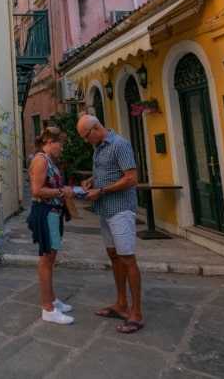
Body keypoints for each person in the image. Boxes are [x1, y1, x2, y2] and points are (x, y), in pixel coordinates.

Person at [77, 114, 144, 334]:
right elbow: (108, 173)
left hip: (121, 209)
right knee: (114, 255)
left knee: (127, 258)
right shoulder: (99, 147)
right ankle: (121, 304)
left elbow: (131, 178)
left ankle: (136, 313)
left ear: (95, 128)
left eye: (87, 136)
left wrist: (102, 190)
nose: (86, 141)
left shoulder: (120, 145)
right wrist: (91, 181)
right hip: (105, 210)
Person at [26, 126, 78, 324]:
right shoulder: (40, 160)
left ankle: (52, 300)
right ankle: (47, 309)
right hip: (46, 212)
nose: (61, 149)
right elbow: (37, 190)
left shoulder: (48, 160)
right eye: (60, 145)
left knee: (51, 256)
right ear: (50, 142)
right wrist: (61, 192)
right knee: (46, 259)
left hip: (53, 213)